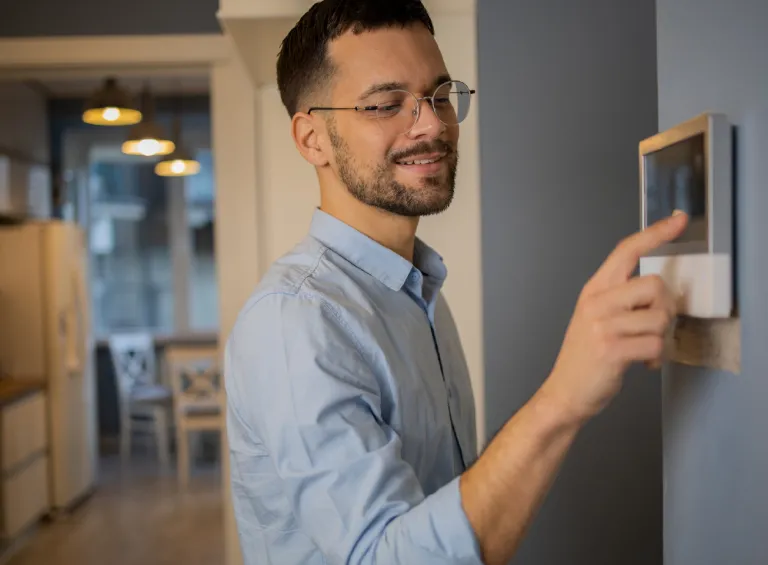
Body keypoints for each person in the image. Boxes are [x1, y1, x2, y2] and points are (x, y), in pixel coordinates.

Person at [224, 1, 688, 564]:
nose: (432, 124)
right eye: (385, 104)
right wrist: (563, 398)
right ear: (311, 139)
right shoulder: (296, 321)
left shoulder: (416, 290)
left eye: (439, 95)